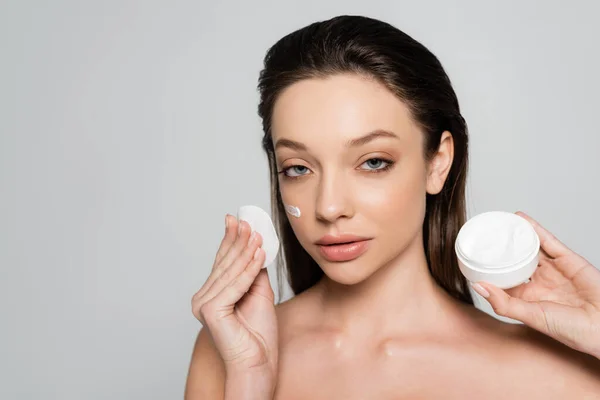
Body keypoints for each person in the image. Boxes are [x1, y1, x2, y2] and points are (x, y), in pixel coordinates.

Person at [185, 15, 600, 399]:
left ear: (437, 163)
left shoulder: (552, 373)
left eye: (373, 162)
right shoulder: (229, 349)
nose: (329, 207)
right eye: (298, 168)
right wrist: (249, 378)